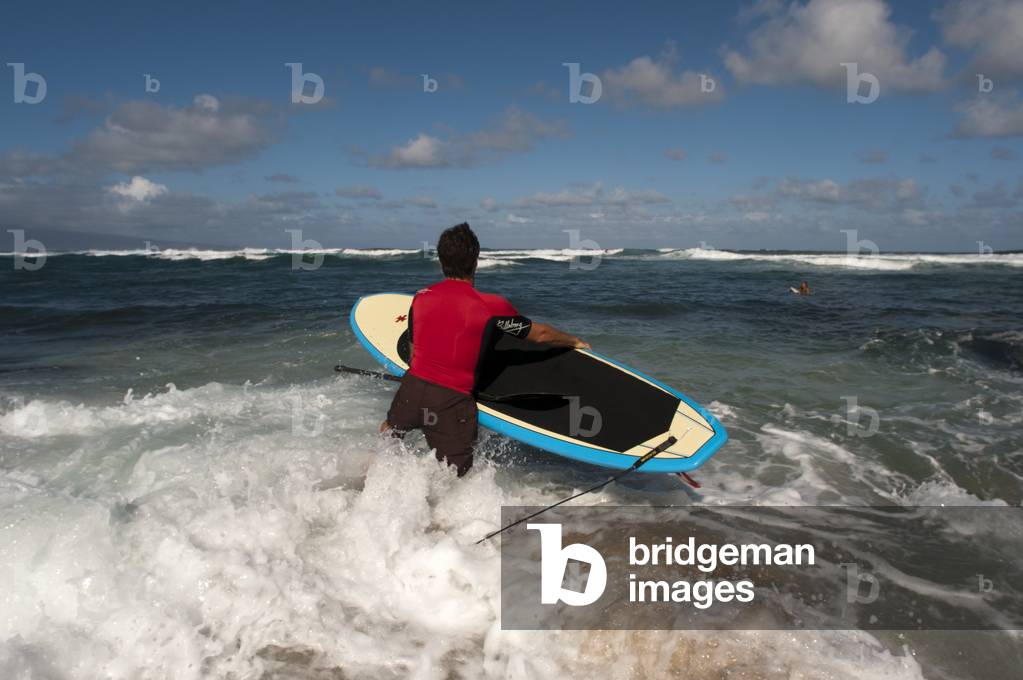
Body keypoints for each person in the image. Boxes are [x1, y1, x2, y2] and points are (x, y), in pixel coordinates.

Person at [380, 222, 589, 476]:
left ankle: (368, 475)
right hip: (450, 401)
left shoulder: (421, 296)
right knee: (458, 478)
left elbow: (413, 352)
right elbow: (540, 335)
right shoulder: (490, 306)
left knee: (389, 436)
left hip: (412, 388)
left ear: (442, 261)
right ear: (475, 261)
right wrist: (573, 341)